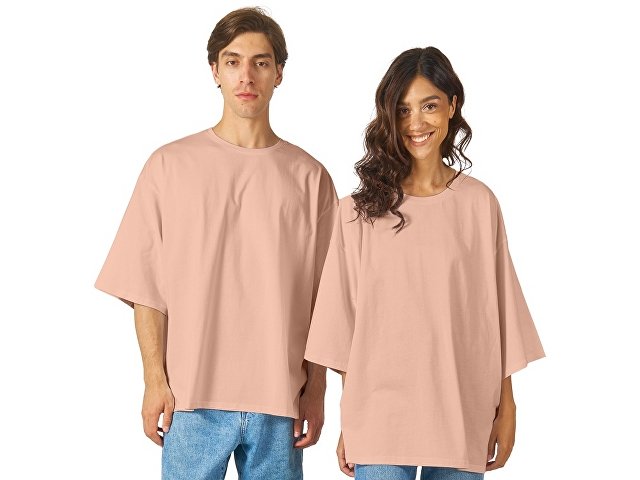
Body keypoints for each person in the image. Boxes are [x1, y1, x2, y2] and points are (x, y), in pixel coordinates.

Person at [95, 8, 336, 480]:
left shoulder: (310, 178)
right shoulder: (169, 166)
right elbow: (145, 289)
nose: (247, 76)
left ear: (279, 73)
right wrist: (153, 380)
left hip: (280, 401)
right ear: (214, 71)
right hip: (190, 400)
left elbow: (325, 301)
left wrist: (317, 389)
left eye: (261, 62)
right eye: (233, 61)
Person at [304, 46, 545, 480]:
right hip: (379, 418)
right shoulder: (357, 211)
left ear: (452, 105)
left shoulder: (479, 204)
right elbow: (342, 325)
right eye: (403, 110)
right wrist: (351, 419)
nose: (416, 123)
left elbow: (498, 319)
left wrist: (507, 407)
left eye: (429, 106)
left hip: (462, 411)